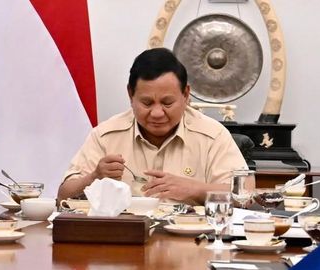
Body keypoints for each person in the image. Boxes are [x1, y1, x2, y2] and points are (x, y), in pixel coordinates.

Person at [57, 48, 247, 205]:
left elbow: (244, 193)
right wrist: (94, 177)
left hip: (191, 245)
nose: (157, 113)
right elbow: (63, 196)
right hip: (123, 242)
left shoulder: (212, 135)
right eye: (147, 103)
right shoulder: (106, 136)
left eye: (167, 103)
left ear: (186, 94)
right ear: (131, 95)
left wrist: (193, 189)